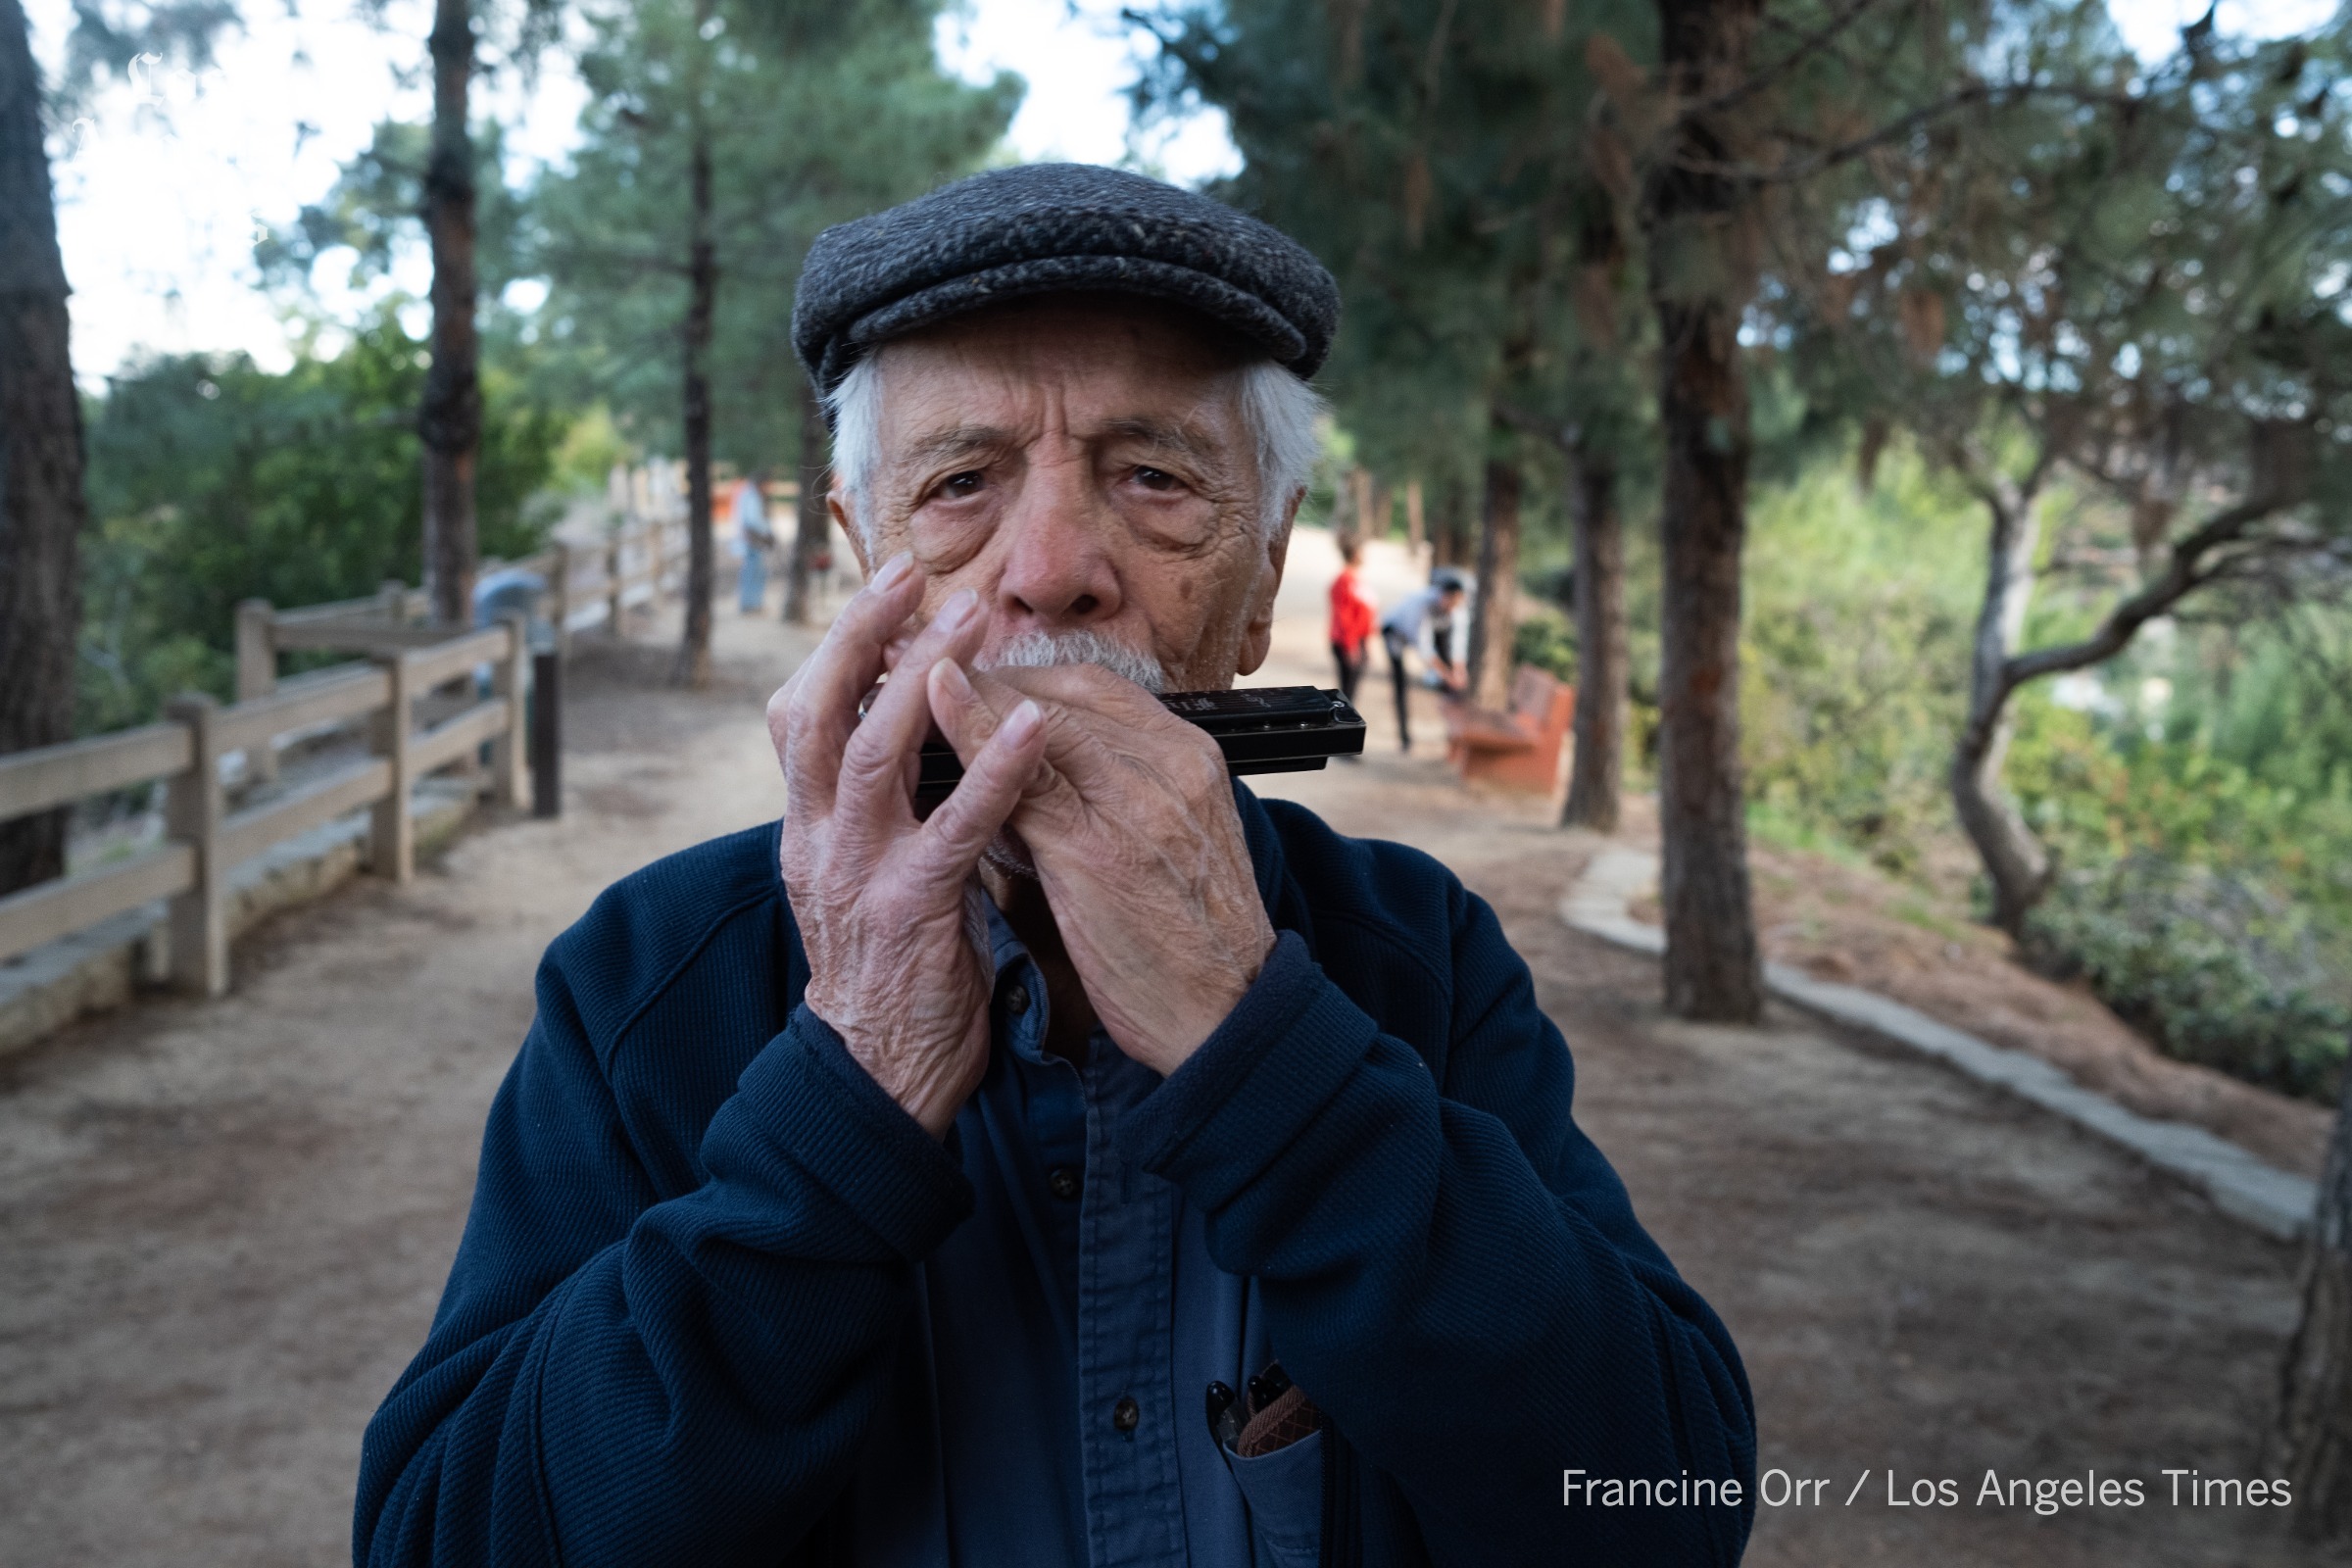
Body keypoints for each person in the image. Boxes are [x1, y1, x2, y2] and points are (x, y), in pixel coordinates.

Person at [354, 163, 1754, 1568]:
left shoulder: (1415, 956)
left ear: (1264, 578)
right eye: (962, 483)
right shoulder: (654, 981)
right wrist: (851, 1088)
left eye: (1154, 479)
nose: (1054, 565)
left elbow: (1665, 1514)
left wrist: (1260, 1048)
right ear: (867, 571)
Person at [1380, 567, 1469, 753]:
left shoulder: (1457, 610)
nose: (1453, 606)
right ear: (1442, 595)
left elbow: (1458, 642)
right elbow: (1424, 648)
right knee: (1400, 685)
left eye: (1457, 603)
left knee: (1452, 684)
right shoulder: (1421, 604)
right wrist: (1446, 675)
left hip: (1432, 631)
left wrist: (1459, 671)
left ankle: (1454, 733)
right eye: (1450, 602)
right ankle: (1404, 736)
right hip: (1396, 632)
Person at [1326, 535, 1375, 710]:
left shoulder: (1357, 580)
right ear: (1354, 553)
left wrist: (1366, 644)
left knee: (1352, 692)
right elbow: (1343, 616)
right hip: (1346, 643)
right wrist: (1351, 646)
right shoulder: (1344, 581)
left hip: (1359, 641)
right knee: (1346, 693)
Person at [734, 471, 776, 612]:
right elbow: (753, 521)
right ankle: (752, 604)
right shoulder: (752, 496)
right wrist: (767, 533)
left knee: (753, 571)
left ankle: (751, 603)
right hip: (753, 540)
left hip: (753, 539)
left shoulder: (750, 495)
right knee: (754, 572)